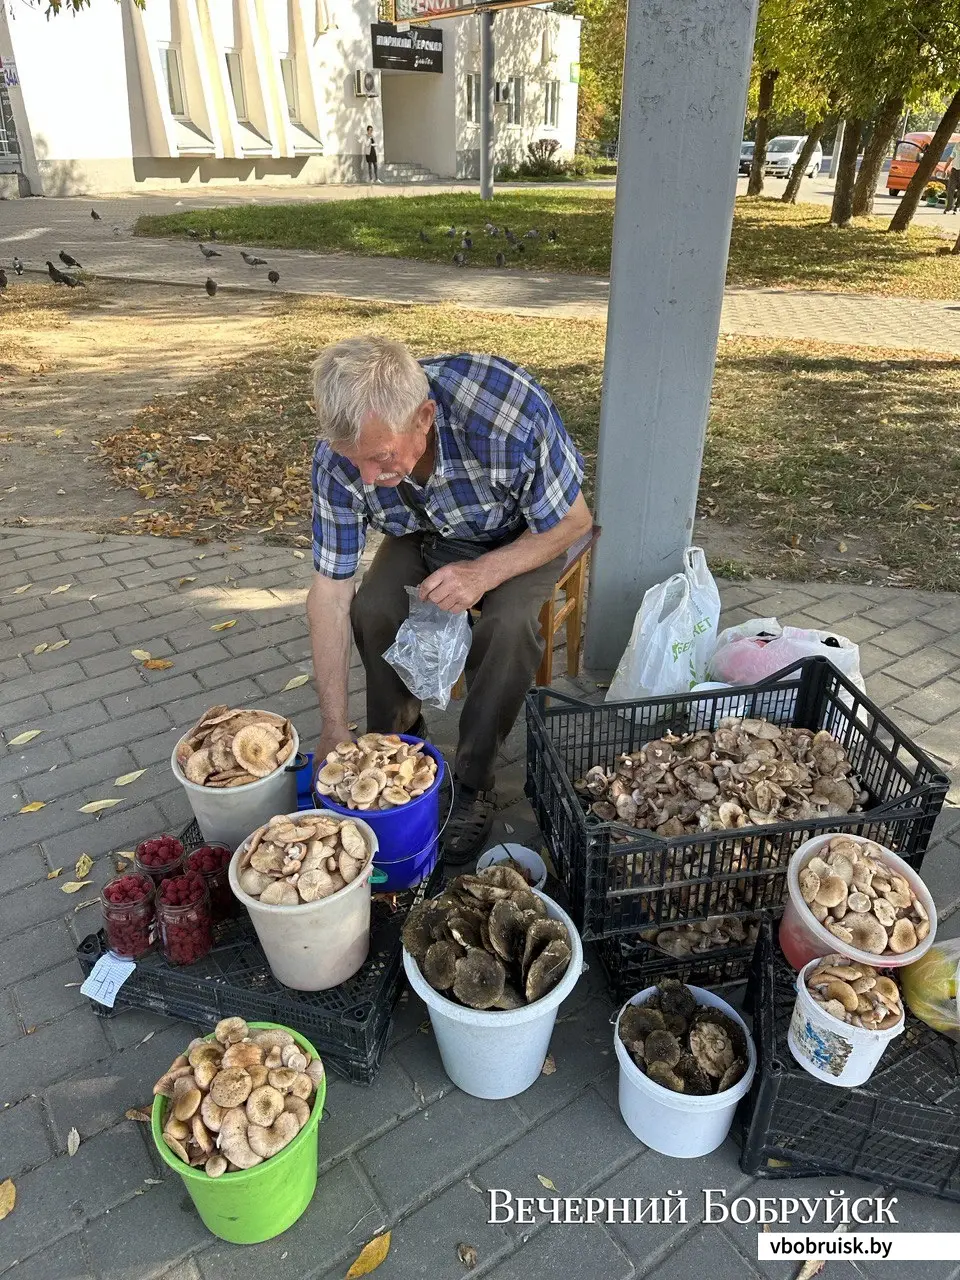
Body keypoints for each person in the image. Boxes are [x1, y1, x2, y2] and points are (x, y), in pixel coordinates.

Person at [307, 335, 593, 863]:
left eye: (381, 458)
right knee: (373, 607)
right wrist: (331, 723)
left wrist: (484, 572)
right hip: (424, 531)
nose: (370, 478)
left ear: (424, 416)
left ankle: (474, 778)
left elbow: (574, 523)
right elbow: (329, 591)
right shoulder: (339, 458)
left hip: (523, 535)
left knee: (506, 628)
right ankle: (397, 750)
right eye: (356, 461)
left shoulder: (506, 412)